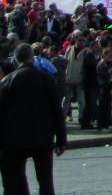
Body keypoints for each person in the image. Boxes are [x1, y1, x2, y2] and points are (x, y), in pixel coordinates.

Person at [0, 44, 67, 195]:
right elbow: (57, 111)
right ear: (32, 58)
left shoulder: (7, 81)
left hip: (14, 139)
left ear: (15, 60)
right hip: (42, 136)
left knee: (15, 181)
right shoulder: (46, 79)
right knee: (45, 181)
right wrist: (61, 139)